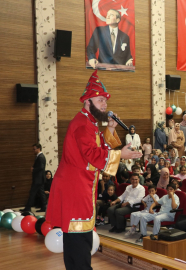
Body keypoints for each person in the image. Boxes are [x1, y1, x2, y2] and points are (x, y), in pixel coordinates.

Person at [46, 71, 142, 269]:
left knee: (76, 241)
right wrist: (119, 155)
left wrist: (112, 129)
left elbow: (96, 148)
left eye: (105, 101)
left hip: (79, 186)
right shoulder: (83, 124)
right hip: (75, 189)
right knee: (80, 242)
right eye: (100, 101)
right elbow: (92, 154)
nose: (105, 105)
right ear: (87, 102)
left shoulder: (89, 122)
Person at [20, 143, 47, 212]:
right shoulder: (39, 156)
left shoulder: (40, 157)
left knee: (32, 193)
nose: (33, 150)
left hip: (38, 179)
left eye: (34, 149)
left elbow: (41, 167)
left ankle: (28, 208)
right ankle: (44, 207)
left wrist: (33, 169)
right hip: (39, 179)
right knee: (41, 194)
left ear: (38, 149)